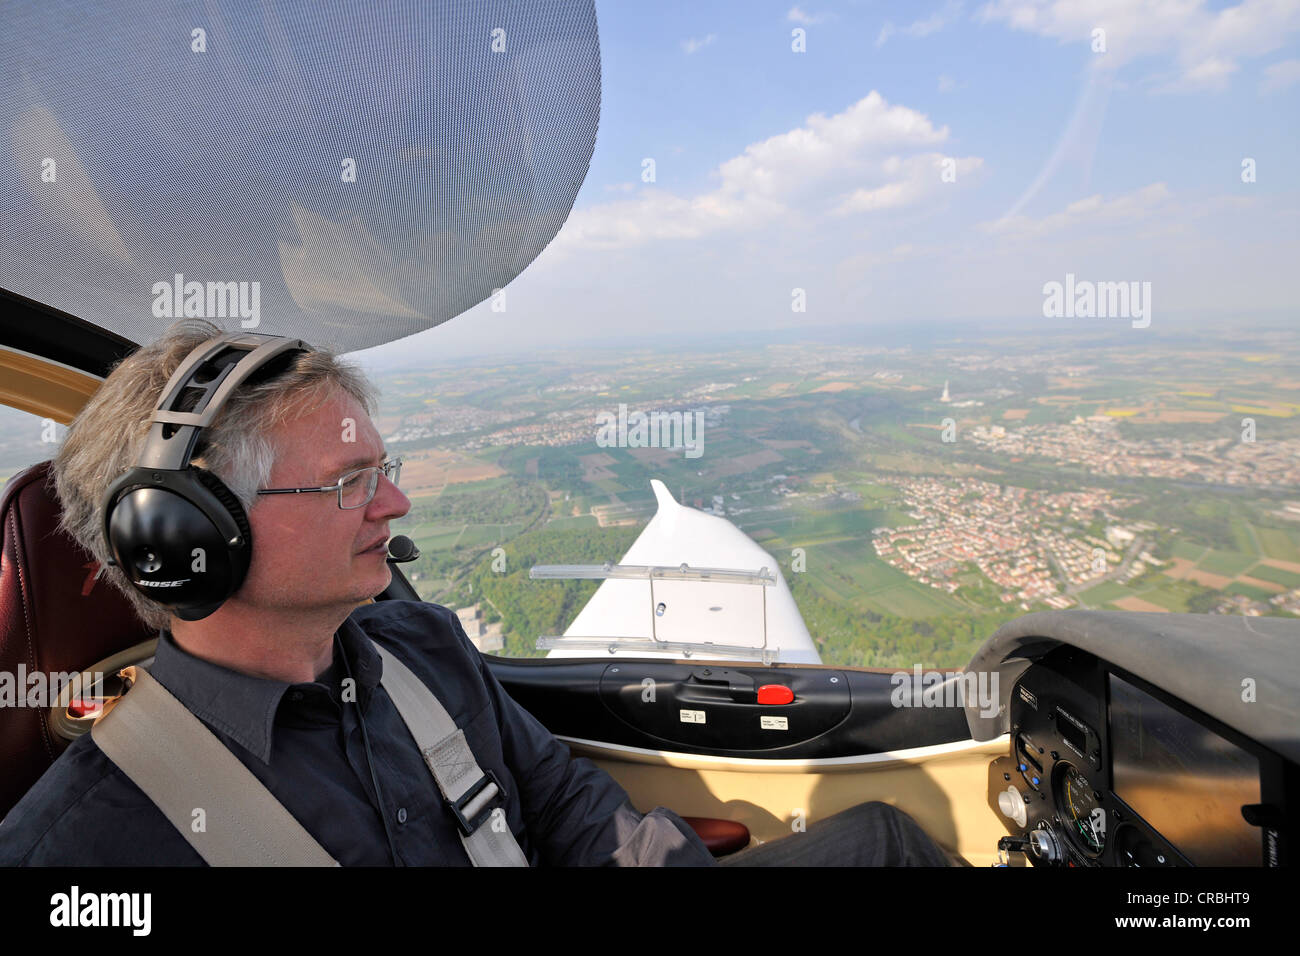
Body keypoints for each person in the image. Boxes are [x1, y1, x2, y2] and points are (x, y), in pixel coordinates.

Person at [0, 319, 952, 866]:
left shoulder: (421, 649)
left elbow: (569, 807)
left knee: (881, 841)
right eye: (351, 482)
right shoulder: (83, 849)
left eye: (386, 467)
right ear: (194, 538)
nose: (398, 503)